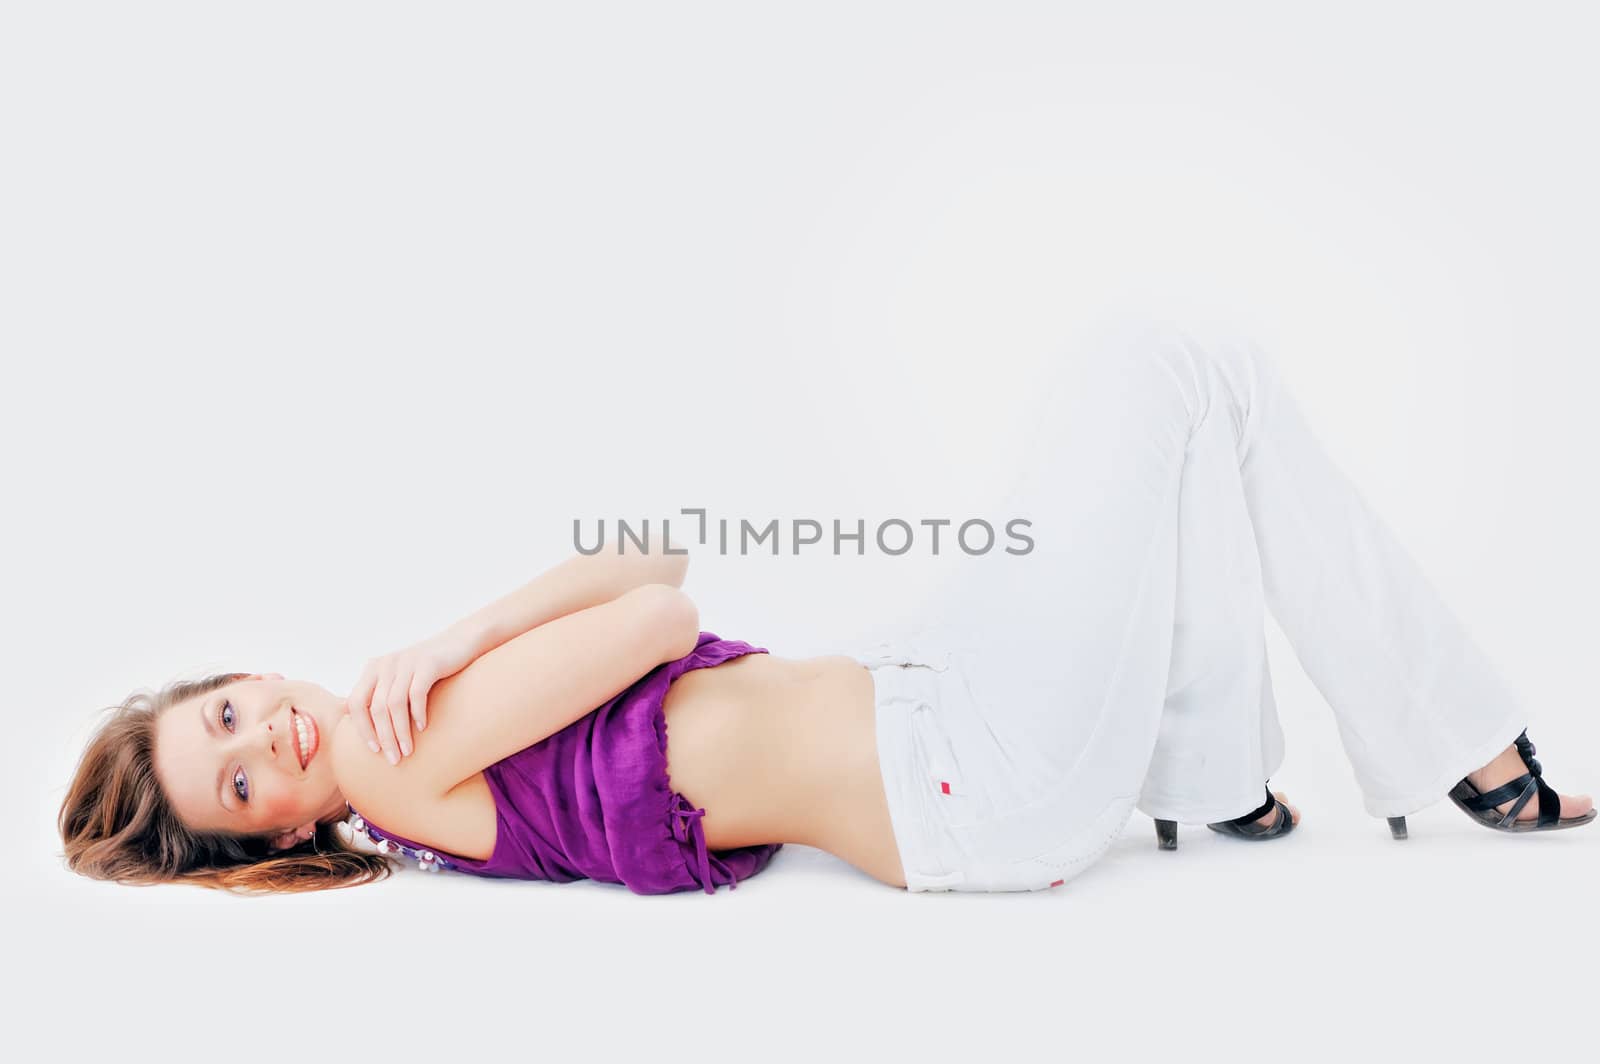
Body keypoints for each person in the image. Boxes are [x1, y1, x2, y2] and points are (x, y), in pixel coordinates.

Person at [57, 316, 1594, 895]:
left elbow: (647, 554)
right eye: (244, 777)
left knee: (1177, 395)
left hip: (935, 697)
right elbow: (662, 623)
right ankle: (1459, 746)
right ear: (270, 837)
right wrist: (448, 652)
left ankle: (1215, 777)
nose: (271, 734)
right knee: (1173, 375)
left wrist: (455, 637)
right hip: (969, 775)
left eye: (229, 709)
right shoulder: (393, 764)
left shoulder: (408, 742)